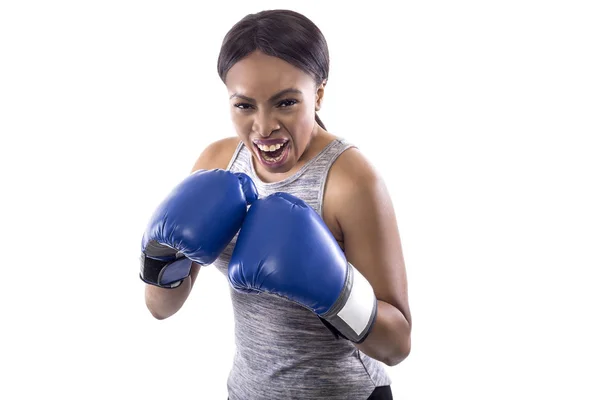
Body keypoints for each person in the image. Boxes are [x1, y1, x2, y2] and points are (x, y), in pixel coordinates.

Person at [140, 9, 412, 400]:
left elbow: (397, 345)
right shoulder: (217, 162)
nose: (264, 127)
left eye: (285, 103)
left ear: (318, 94)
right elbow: (161, 308)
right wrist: (162, 254)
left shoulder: (350, 179)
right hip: (247, 392)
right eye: (244, 105)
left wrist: (336, 294)